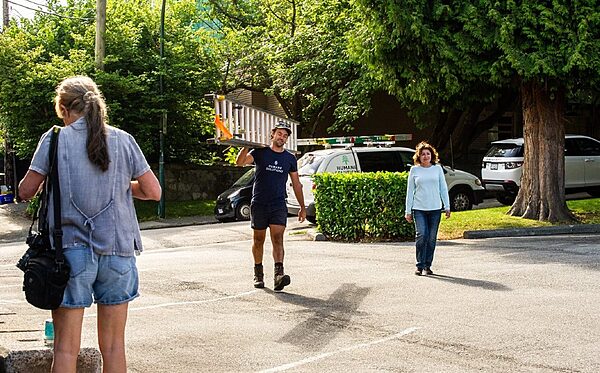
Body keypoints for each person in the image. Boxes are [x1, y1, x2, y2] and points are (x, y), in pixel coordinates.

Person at [19, 76, 161, 373]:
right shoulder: (124, 140)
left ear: (63, 108)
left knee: (66, 349)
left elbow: (25, 190)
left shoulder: (55, 139)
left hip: (69, 254)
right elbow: (153, 192)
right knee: (113, 348)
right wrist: (123, 186)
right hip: (118, 250)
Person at [236, 121, 306, 291]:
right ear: (273, 134)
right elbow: (240, 162)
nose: (282, 137)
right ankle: (258, 274)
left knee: (277, 239)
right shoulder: (260, 152)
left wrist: (302, 207)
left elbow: (296, 184)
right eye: (280, 134)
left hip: (278, 204)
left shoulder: (289, 158)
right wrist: (245, 145)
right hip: (259, 203)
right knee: (258, 240)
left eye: (285, 135)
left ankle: (278, 276)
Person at [404, 141, 451, 276]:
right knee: (422, 235)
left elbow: (443, 188)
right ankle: (419, 265)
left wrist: (446, 206)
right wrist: (408, 211)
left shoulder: (437, 169)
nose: (425, 156)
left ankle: (427, 265)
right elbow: (410, 191)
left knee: (431, 238)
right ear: (419, 156)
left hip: (435, 208)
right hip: (419, 209)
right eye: (423, 154)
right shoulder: (414, 170)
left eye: (428, 154)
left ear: (432, 155)